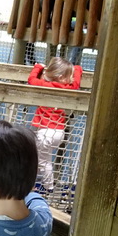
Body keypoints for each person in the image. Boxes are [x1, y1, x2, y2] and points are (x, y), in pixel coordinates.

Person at [27, 56, 82, 192]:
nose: (72, 78)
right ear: (63, 77)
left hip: (45, 131)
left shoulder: (46, 85)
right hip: (59, 132)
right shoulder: (69, 88)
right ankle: (43, 185)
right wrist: (77, 69)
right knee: (44, 159)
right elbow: (77, 83)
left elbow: (31, 80)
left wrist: (37, 67)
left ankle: (47, 188)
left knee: (42, 161)